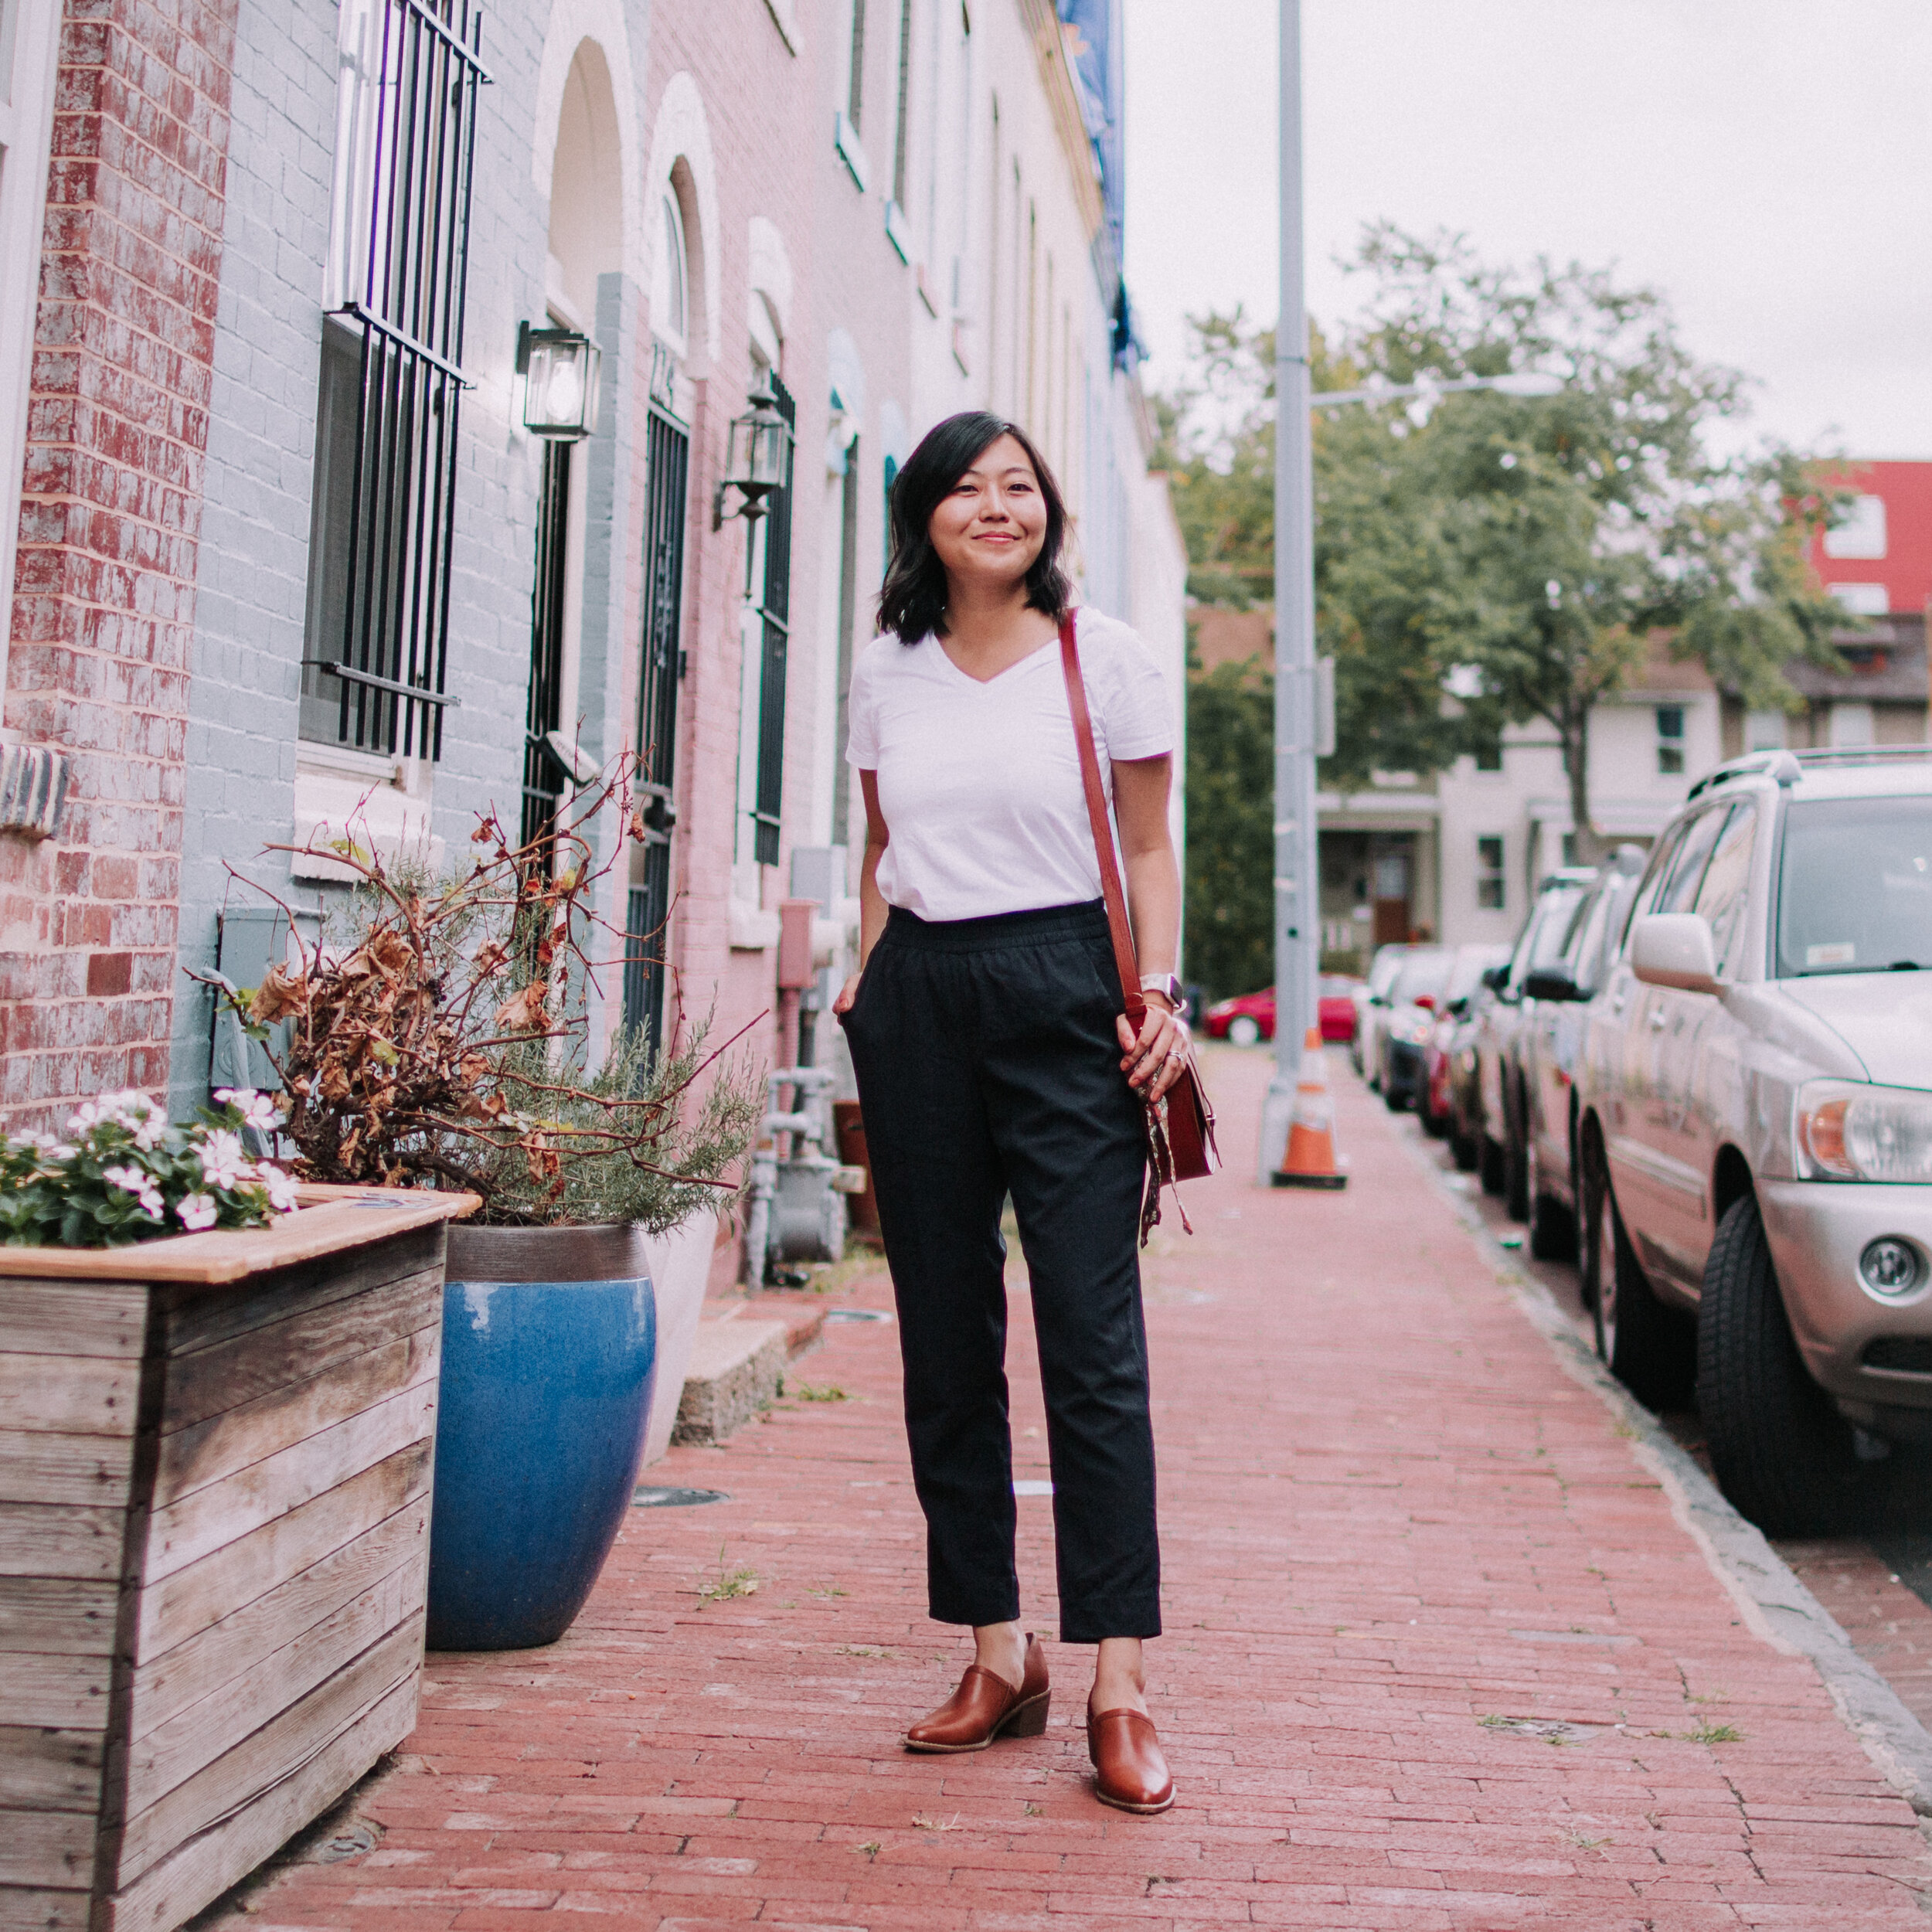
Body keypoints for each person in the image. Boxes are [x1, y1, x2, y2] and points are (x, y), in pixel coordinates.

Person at [834, 410, 1188, 1815]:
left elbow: (1150, 842)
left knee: (1092, 1343)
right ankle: (998, 1650)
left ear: (1050, 514)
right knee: (944, 1336)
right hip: (921, 994)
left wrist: (1160, 992)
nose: (999, 506)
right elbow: (882, 846)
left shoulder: (1110, 658)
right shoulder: (886, 669)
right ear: (925, 516)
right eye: (969, 489)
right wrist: (868, 986)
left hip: (1066, 995)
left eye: (1020, 486)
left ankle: (1121, 1677)